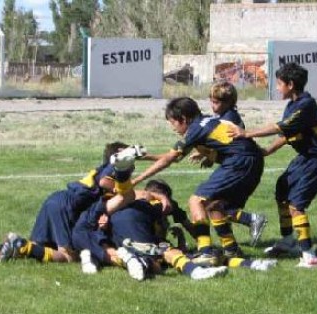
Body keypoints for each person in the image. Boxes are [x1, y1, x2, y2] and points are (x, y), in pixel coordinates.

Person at [0, 142, 146, 263]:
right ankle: (23, 245)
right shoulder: (110, 169)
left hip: (55, 199)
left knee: (41, 248)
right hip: (66, 206)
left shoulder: (102, 167)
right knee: (67, 255)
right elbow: (108, 184)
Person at [131, 97, 264, 263]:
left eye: (173, 122)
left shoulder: (195, 129)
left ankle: (205, 251)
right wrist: (143, 157)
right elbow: (173, 157)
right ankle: (231, 250)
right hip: (252, 161)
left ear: (184, 119)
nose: (172, 127)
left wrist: (136, 181)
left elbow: (168, 160)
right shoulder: (205, 123)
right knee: (213, 205)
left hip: (240, 162)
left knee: (196, 201)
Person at [228, 62, 317, 268]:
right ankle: (288, 241)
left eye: (279, 84)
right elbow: (286, 134)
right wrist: (267, 151)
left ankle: (309, 256)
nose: (277, 88)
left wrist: (246, 133)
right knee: (282, 190)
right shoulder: (293, 105)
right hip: (305, 157)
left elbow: (280, 127)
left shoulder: (306, 105)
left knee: (296, 204)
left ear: (291, 84)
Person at [74, 179, 229, 281]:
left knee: (119, 247)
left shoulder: (128, 195)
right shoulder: (163, 204)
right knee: (161, 254)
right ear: (166, 195)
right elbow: (191, 229)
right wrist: (203, 246)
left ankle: (109, 257)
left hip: (108, 230)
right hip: (135, 223)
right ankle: (194, 271)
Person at [188, 81, 268, 246]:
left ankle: (207, 247)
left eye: (216, 102)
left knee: (205, 201)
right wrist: (207, 154)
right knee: (215, 205)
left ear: (229, 102)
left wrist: (210, 155)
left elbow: (229, 144)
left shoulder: (229, 119)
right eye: (211, 101)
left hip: (239, 166)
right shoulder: (224, 116)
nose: (212, 106)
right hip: (238, 164)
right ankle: (243, 231)